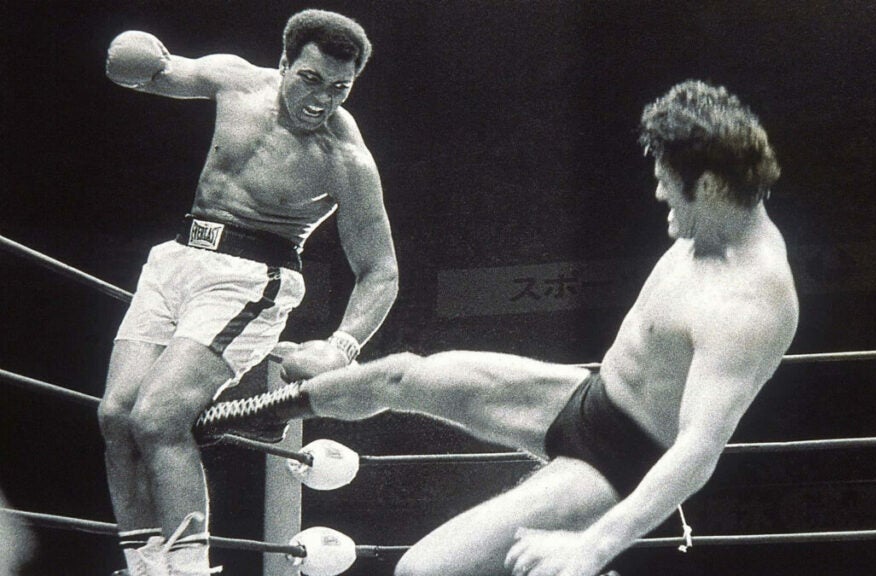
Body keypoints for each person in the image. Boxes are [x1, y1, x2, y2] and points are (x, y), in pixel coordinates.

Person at [197, 79, 798, 576]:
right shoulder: (706, 230)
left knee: (422, 571)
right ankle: (252, 415)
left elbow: (698, 450)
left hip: (620, 465)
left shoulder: (749, 301)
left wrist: (593, 547)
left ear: (711, 186)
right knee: (399, 376)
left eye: (669, 179)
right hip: (586, 399)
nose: (660, 190)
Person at [97, 9, 399, 576]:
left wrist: (341, 345)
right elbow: (160, 72)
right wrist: (138, 66)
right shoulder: (235, 80)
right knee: (117, 415)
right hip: (176, 260)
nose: (321, 100)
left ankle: (190, 570)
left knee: (159, 417)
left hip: (251, 280)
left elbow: (380, 271)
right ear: (283, 63)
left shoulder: (346, 158)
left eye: (339, 88)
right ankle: (144, 566)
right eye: (310, 79)